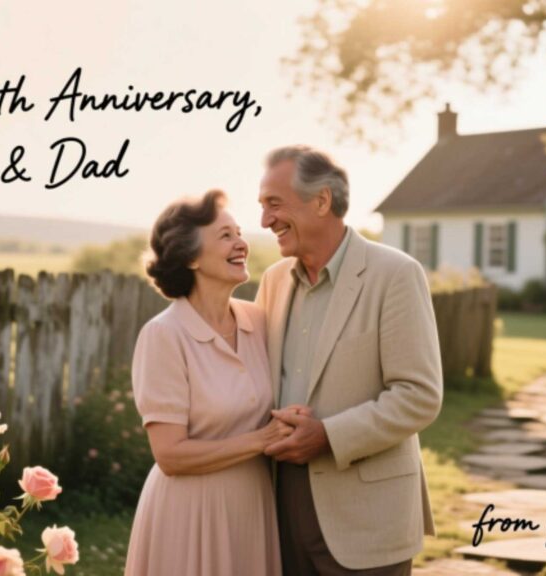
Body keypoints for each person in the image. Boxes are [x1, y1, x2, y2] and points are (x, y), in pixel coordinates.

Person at [255, 145, 444, 575]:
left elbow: (419, 396)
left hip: (368, 518)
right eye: (262, 207)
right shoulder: (272, 282)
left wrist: (327, 436)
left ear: (322, 201)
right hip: (281, 505)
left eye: (274, 204)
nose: (265, 221)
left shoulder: (396, 274)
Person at [124, 190, 290, 576]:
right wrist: (262, 440)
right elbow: (170, 455)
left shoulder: (259, 322)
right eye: (225, 235)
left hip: (252, 506)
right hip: (189, 514)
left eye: (239, 232)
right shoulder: (164, 335)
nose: (241, 243)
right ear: (191, 257)